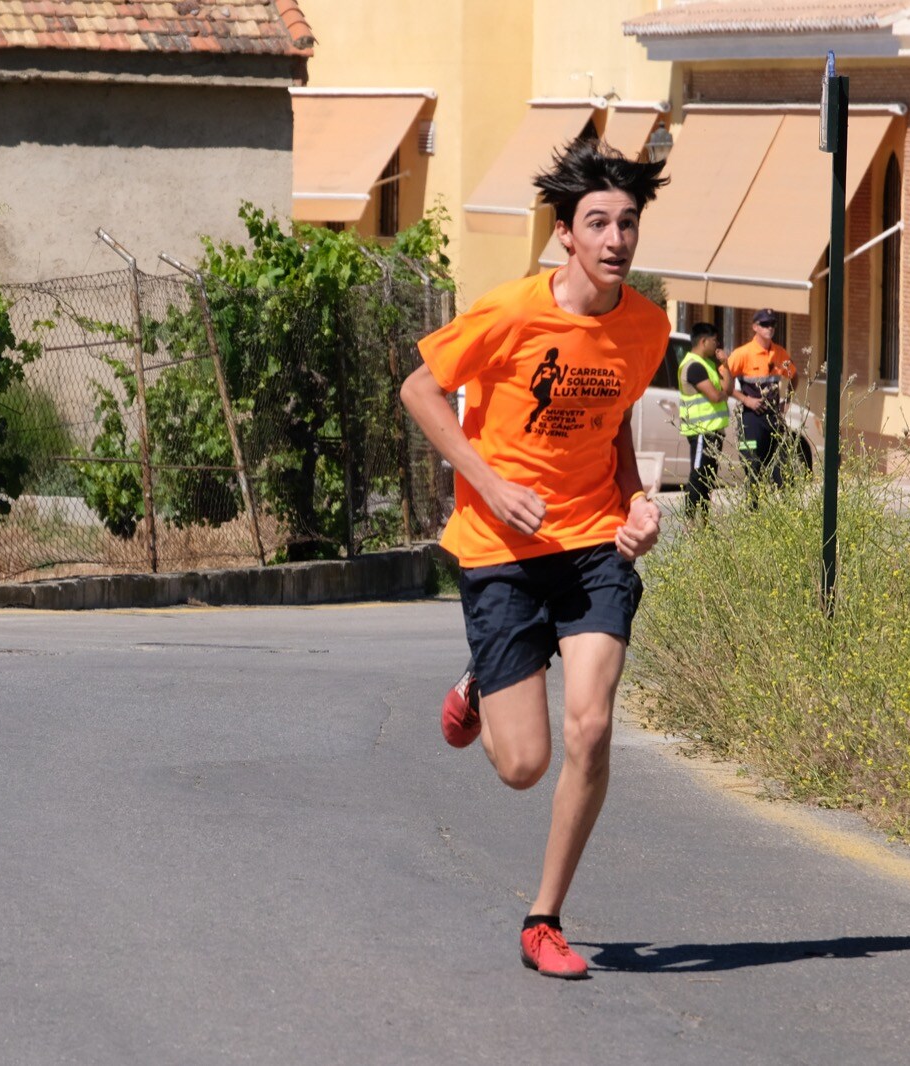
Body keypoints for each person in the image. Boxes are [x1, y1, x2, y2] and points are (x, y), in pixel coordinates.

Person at [399, 138, 669, 980]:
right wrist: (487, 480)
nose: (616, 239)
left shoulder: (646, 325)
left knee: (591, 724)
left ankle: (543, 918)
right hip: (500, 549)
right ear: (566, 235)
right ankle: (485, 676)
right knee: (523, 765)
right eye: (599, 223)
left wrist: (635, 504)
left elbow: (618, 425)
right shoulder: (511, 312)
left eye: (627, 222)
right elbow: (419, 390)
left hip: (591, 545)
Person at [726, 308, 798, 504]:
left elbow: (794, 375)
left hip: (773, 418)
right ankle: (753, 511)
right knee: (752, 466)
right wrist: (745, 399)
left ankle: (784, 511)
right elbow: (722, 380)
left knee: (781, 467)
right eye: (765, 324)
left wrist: (787, 401)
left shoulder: (779, 352)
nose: (770, 328)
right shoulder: (742, 353)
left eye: (773, 324)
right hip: (750, 419)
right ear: (755, 327)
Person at [677, 322, 731, 521]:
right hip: (701, 431)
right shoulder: (694, 366)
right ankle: (689, 520)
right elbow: (716, 396)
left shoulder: (709, 364)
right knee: (698, 475)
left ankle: (705, 521)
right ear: (703, 341)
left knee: (709, 479)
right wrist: (722, 394)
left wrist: (726, 366)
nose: (717, 344)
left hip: (714, 430)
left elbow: (727, 388)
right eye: (715, 340)